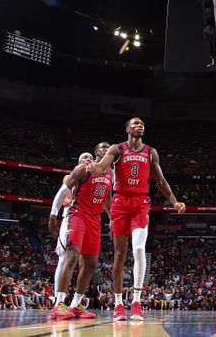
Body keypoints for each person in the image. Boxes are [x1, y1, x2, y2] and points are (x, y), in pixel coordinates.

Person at [88, 117, 185, 321]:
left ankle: (137, 302)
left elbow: (160, 180)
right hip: (120, 203)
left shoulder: (150, 151)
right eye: (135, 123)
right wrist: (93, 168)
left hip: (141, 203)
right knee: (120, 254)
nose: (140, 126)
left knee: (139, 248)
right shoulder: (117, 148)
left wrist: (174, 202)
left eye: (142, 124)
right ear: (127, 129)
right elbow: (101, 166)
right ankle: (118, 304)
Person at [48, 143, 112, 320]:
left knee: (91, 263)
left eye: (109, 147)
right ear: (96, 152)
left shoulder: (111, 174)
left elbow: (107, 199)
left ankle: (75, 305)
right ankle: (58, 304)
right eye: (102, 147)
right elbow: (63, 190)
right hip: (77, 214)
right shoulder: (84, 169)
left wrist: (113, 219)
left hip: (95, 219)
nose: (106, 149)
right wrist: (53, 215)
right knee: (72, 256)